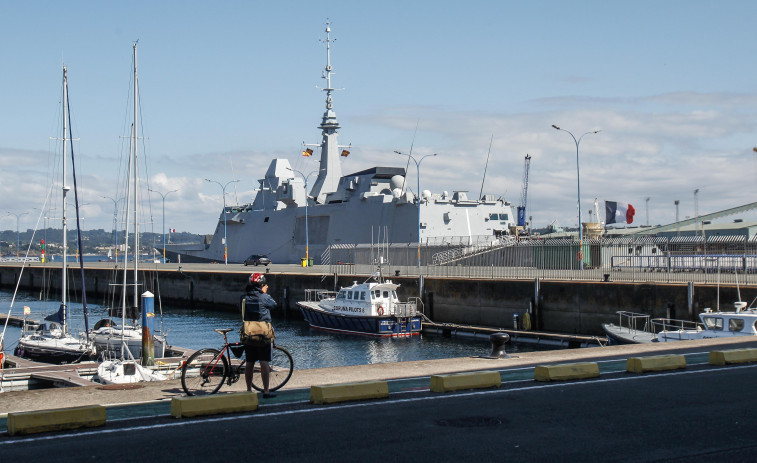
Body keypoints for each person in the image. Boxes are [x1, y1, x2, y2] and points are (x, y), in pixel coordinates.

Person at [241, 272, 277, 398]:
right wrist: (265, 293)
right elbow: (274, 305)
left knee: (249, 363)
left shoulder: (244, 297)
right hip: (262, 335)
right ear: (261, 284)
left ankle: (249, 390)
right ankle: (266, 391)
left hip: (249, 334)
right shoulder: (264, 297)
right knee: (264, 362)